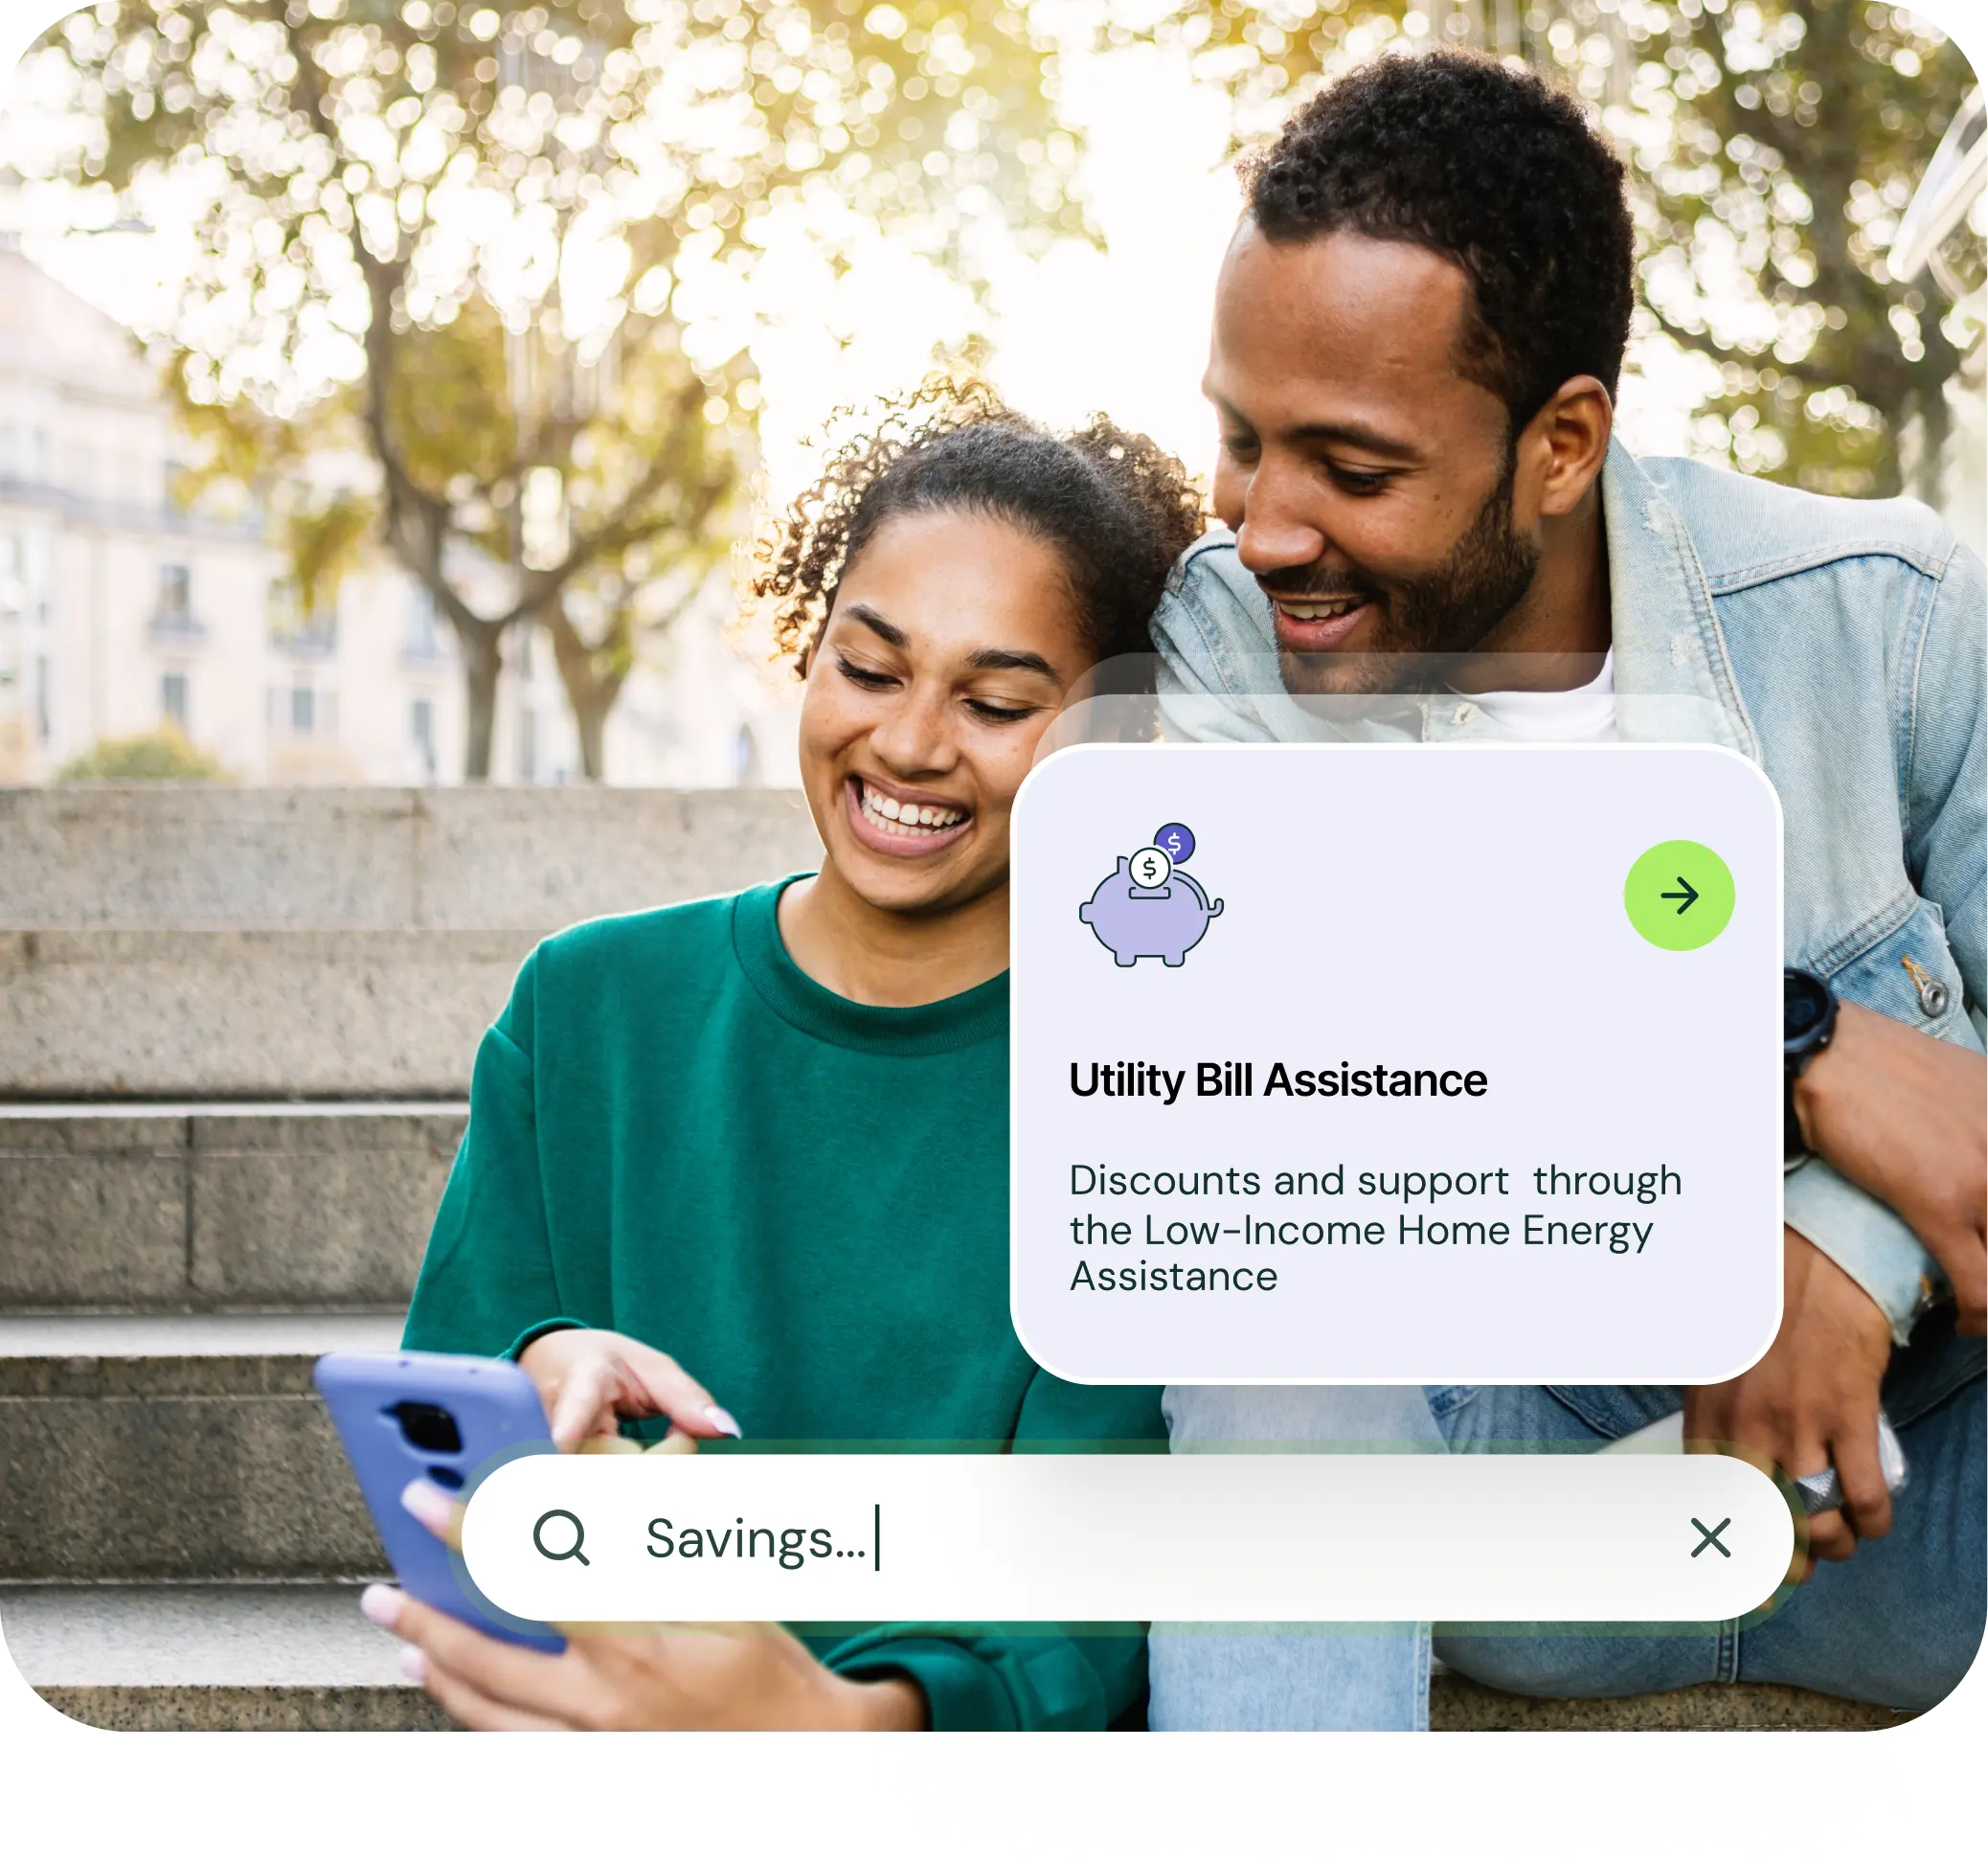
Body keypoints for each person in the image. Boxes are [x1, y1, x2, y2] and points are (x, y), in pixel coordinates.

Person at [1145, 51, 1988, 1730]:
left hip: (1926, 1470)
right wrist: (1795, 1041)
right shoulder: (1223, 634)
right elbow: (1265, 1072)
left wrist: (1831, 1241)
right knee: (1260, 1304)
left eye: (1353, 469)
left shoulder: (1883, 615)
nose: (1265, 526)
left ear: (1563, 441)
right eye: (1240, 441)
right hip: (1515, 1484)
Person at [361, 379, 1206, 1731]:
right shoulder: (584, 1009)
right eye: (869, 669)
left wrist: (835, 1716)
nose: (911, 742)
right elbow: (446, 1417)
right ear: (809, 651)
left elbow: (1088, 1597)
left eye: (994, 701)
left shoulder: (1160, 1092)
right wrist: (535, 1379)